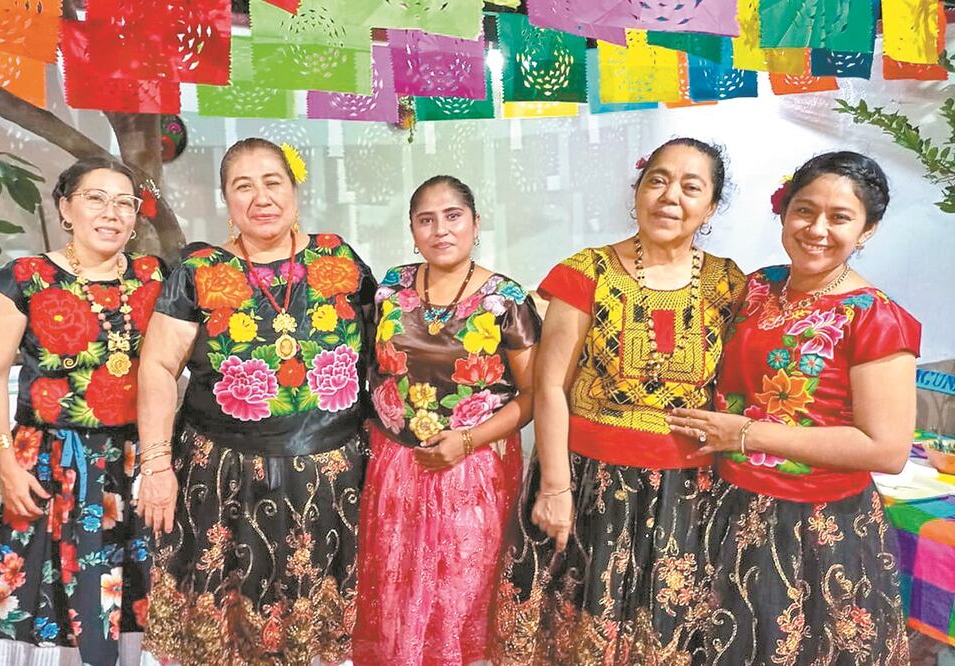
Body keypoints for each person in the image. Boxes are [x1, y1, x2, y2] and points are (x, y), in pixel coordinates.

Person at [492, 138, 747, 664]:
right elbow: (551, 387)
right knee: (575, 632)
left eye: (691, 187)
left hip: (685, 494)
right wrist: (555, 487)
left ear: (711, 207)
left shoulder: (729, 283)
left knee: (665, 635)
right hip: (589, 483)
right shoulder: (588, 272)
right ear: (637, 191)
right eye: (657, 180)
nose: (670, 196)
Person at [667, 151, 920, 664]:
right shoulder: (758, 286)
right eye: (805, 210)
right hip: (728, 509)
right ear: (784, 212)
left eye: (840, 217)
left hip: (819, 528)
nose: (817, 229)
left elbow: (887, 449)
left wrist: (745, 435)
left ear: (867, 230)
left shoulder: (875, 318)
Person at [135, 138, 377, 665]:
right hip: (224, 478)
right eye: (243, 186)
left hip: (331, 478)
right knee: (229, 635)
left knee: (319, 630)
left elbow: (382, 350)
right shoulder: (199, 271)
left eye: (273, 182)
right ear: (226, 198)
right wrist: (155, 464)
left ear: (294, 189)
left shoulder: (339, 257)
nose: (261, 197)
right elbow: (157, 367)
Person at [0, 158, 164, 665]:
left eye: (124, 202)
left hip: (135, 461)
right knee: (49, 595)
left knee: (139, 594)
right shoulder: (26, 278)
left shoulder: (154, 276)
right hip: (50, 461)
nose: (112, 212)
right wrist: (5, 463)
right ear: (65, 208)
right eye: (95, 198)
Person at [353, 176, 541, 665]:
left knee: (459, 595)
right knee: (395, 592)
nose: (441, 230)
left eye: (453, 216)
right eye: (426, 220)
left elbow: (535, 396)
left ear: (475, 223)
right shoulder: (390, 287)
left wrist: (468, 440)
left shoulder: (506, 299)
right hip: (394, 467)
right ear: (412, 230)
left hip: (471, 469)